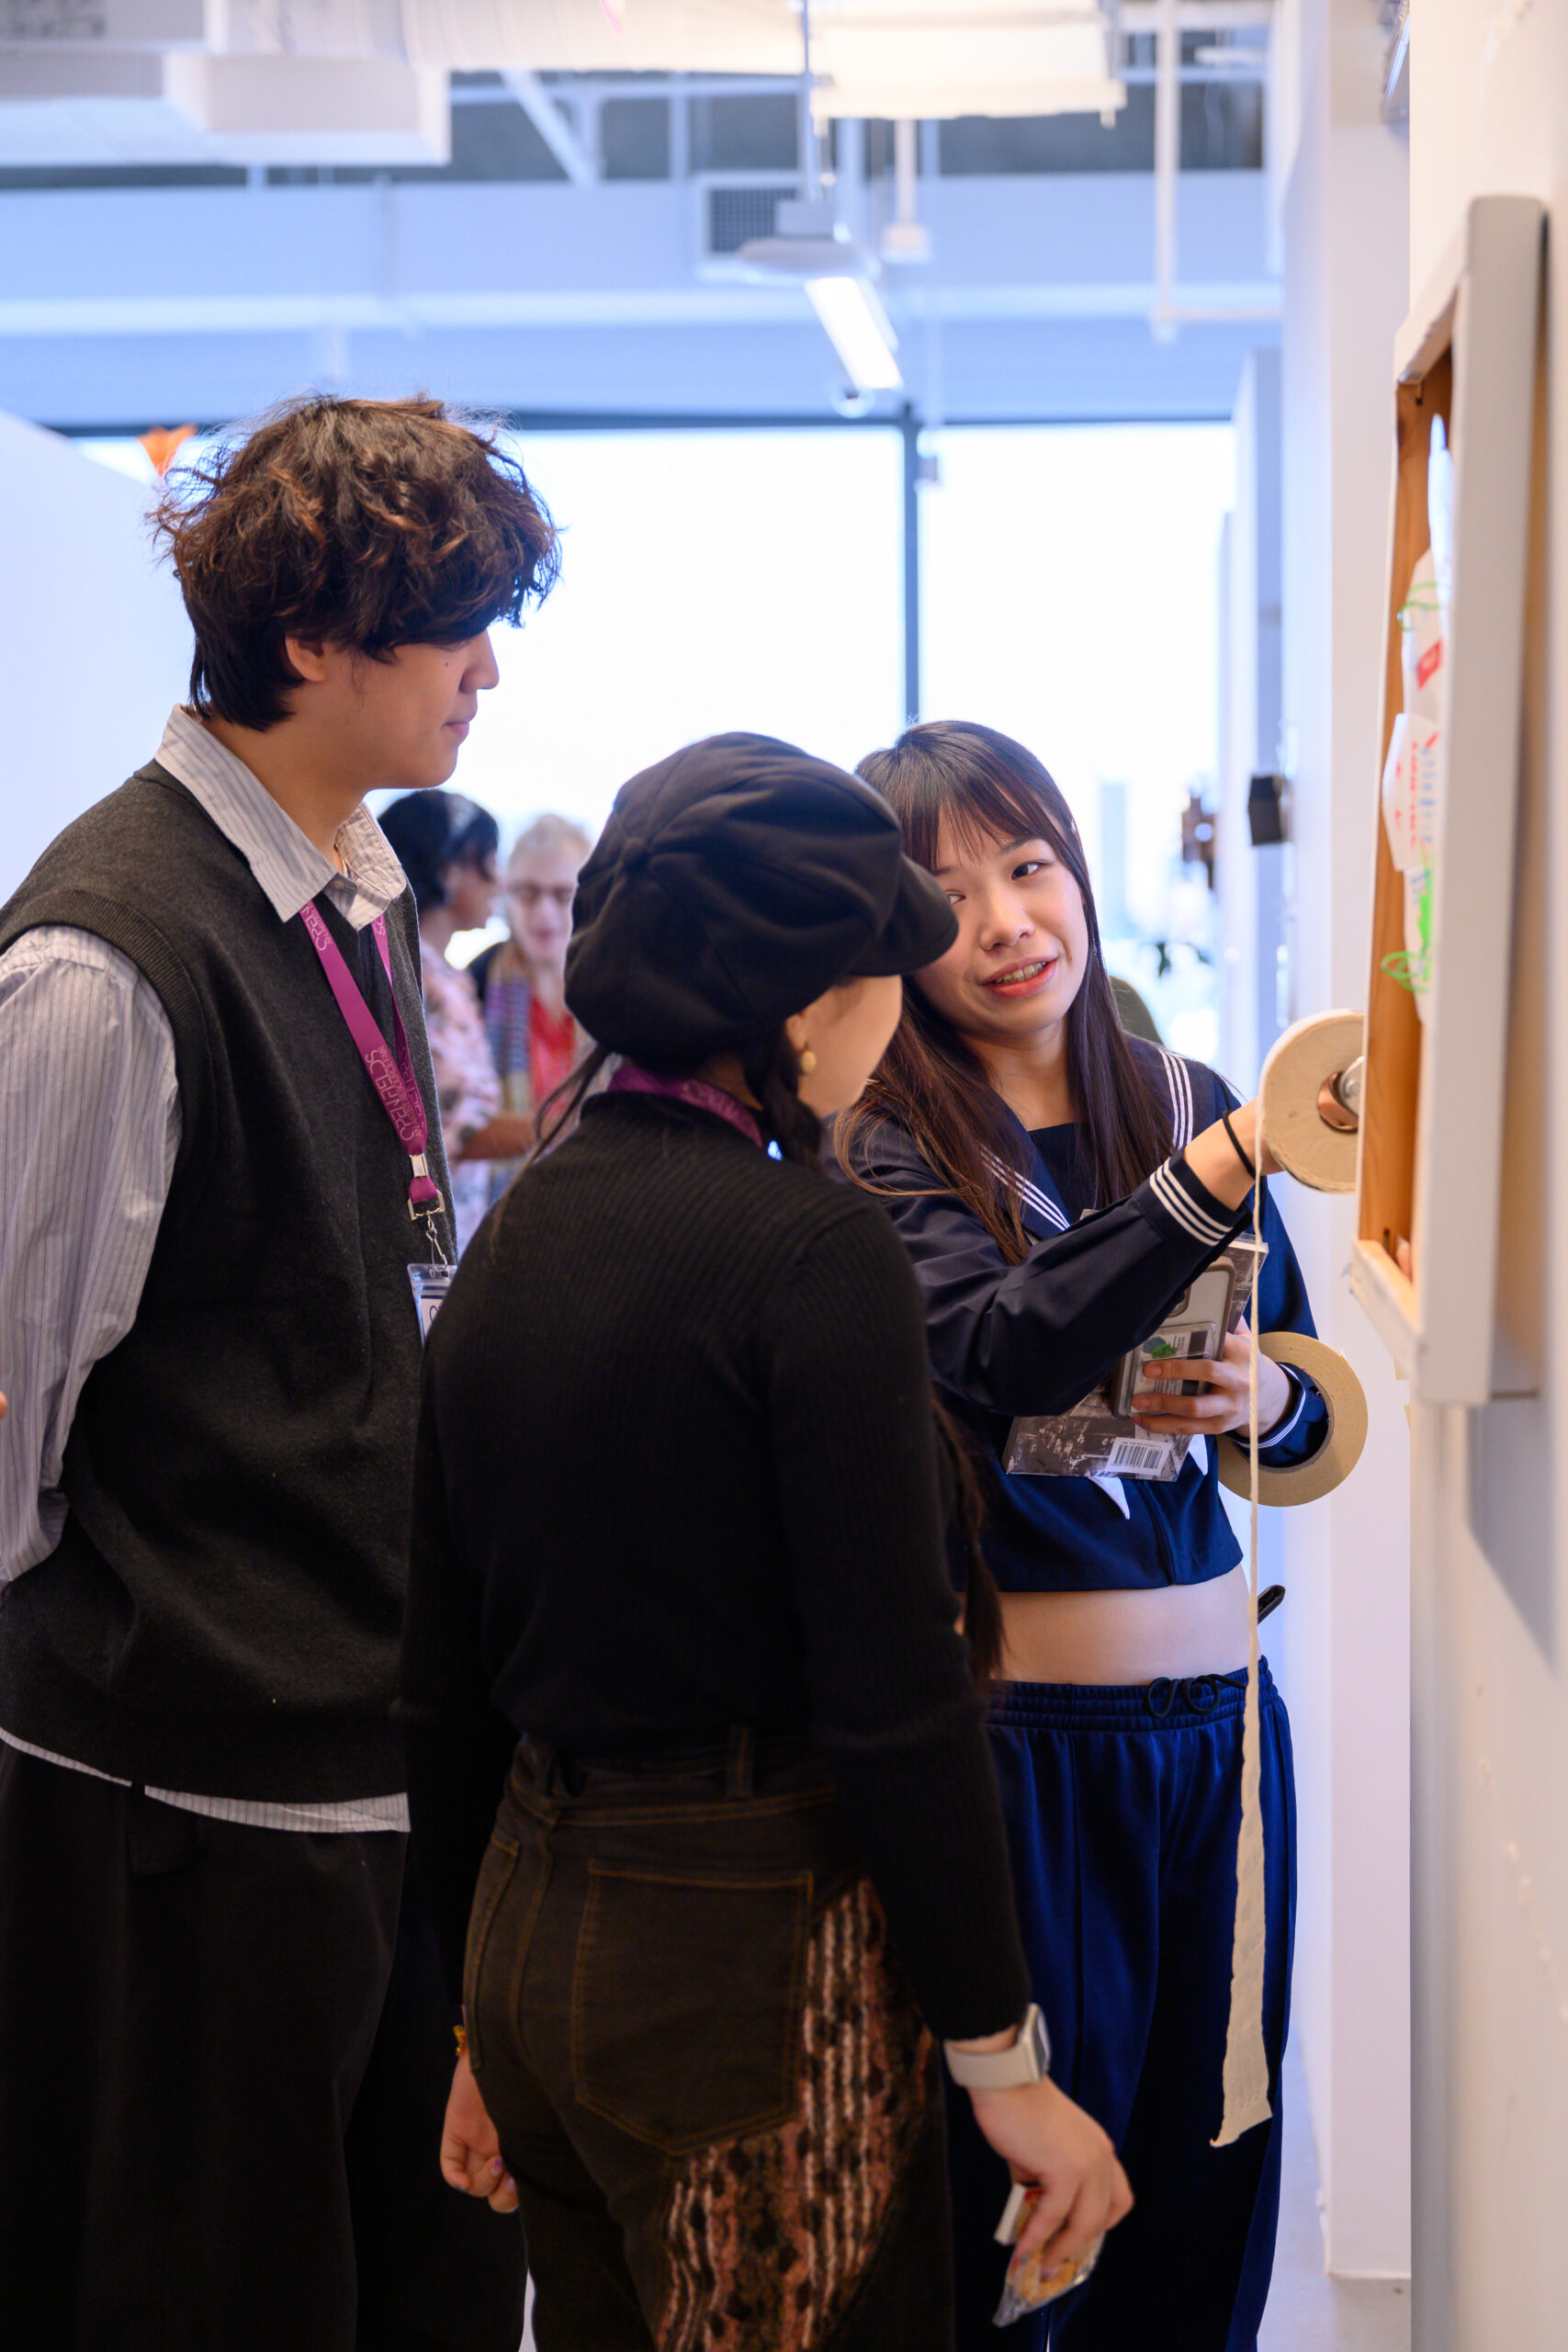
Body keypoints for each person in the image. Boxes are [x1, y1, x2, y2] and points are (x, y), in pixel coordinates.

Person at [399, 732, 1134, 2352]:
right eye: (885, 963)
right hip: (743, 1969)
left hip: (533, 1936)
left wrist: (471, 2018)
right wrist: (1001, 2063)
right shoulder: (811, 1253)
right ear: (802, 1005)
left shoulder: (513, 1238)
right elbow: (895, 1698)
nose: (900, 1007)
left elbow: (440, 1684)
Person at [0, 393, 558, 2351]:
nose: (491, 666)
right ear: (311, 638)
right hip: (187, 1809)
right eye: (457, 621)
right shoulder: (105, 956)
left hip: (382, 1765)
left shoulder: (361, 884)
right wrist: (176, 1620)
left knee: (420, 2290)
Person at [837, 720, 1329, 2351]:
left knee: (1211, 2172)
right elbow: (995, 1351)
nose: (1004, 921)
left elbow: (1316, 1424)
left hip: (1222, 1748)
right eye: (944, 892)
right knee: (1032, 2212)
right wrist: (1211, 1176)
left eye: (1029, 866)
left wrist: (1262, 1401)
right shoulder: (887, 1143)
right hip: (1016, 1753)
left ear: (1079, 876)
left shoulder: (1181, 1098)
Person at [378, 789, 528, 1252]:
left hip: (451, 1233)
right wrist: (575, 1125)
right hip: (420, 1244)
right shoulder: (410, 976)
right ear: (448, 869)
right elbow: (459, 1130)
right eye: (489, 860)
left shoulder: (447, 974)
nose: (499, 880)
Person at [468, 812, 594, 1200]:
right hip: (499, 1206)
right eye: (527, 892)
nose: (544, 912)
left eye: (562, 895)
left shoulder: (618, 988)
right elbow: (454, 1125)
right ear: (506, 894)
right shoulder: (475, 982)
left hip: (598, 1196)